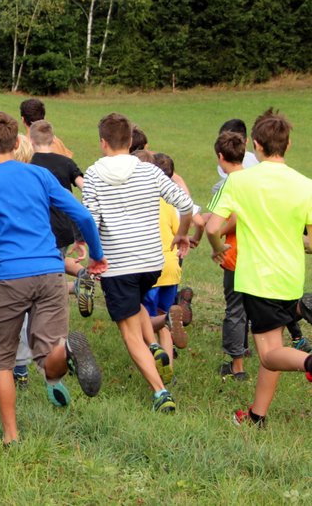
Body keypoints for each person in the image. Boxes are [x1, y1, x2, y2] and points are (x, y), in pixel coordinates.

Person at [0, 111, 106, 445]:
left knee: (1, 360)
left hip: (9, 278)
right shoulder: (40, 175)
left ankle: (11, 437)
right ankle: (66, 349)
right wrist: (97, 256)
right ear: (16, 143)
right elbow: (83, 216)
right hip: (50, 273)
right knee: (49, 356)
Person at [205, 109, 312, 427]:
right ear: (288, 145)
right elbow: (311, 242)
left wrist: (218, 249)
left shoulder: (238, 181)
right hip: (291, 278)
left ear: (256, 145)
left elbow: (212, 227)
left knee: (267, 354)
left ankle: (309, 362)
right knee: (273, 345)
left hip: (257, 278)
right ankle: (256, 415)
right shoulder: (306, 185)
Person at [81, 113, 194, 414]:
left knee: (130, 333)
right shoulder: (150, 171)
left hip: (119, 265)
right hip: (152, 263)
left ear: (103, 142)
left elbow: (90, 221)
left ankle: (160, 392)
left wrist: (95, 255)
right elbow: (185, 204)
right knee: (137, 305)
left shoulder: (93, 174)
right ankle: (155, 345)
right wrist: (182, 233)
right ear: (130, 140)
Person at [193, 131, 249, 380]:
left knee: (235, 310)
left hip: (236, 255)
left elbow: (229, 220)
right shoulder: (254, 179)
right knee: (254, 308)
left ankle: (237, 367)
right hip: (259, 255)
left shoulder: (229, 184)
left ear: (220, 156)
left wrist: (217, 243)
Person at [28, 120, 95, 316]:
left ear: (30, 140)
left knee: (40, 279)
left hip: (37, 229)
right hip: (63, 229)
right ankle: (74, 288)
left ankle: (50, 314)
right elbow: (86, 189)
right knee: (53, 270)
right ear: (53, 139)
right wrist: (80, 235)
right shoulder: (66, 162)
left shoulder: (28, 165)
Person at [144, 153, 189, 371]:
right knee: (165, 317)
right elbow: (178, 231)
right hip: (171, 267)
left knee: (147, 320)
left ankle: (152, 362)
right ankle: (169, 366)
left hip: (149, 267)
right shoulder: (168, 203)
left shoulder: (140, 201)